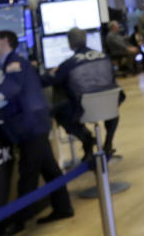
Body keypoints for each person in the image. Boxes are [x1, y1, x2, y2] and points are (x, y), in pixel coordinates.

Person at [0, 30, 73, 236]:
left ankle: (19, 223)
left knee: (28, 175)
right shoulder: (7, 66)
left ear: (4, 41)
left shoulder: (15, 64)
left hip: (30, 125)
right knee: (49, 169)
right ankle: (63, 207)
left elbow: (11, 86)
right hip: (34, 124)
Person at [42, 27, 124, 159]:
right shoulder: (105, 57)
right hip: (109, 107)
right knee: (111, 105)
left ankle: (86, 139)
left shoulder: (69, 63)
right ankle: (108, 143)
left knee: (60, 113)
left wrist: (48, 73)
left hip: (84, 109)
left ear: (70, 43)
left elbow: (50, 80)